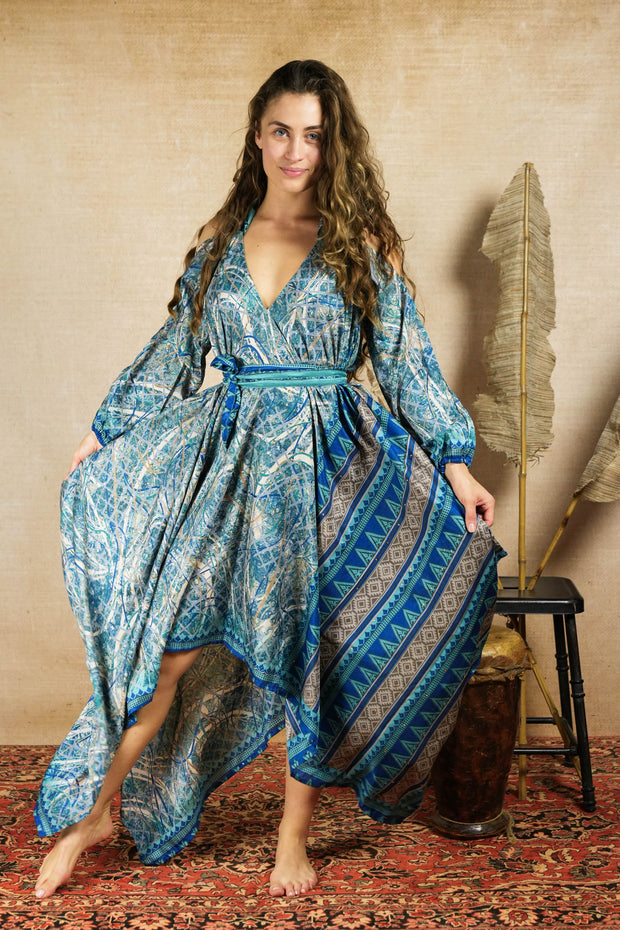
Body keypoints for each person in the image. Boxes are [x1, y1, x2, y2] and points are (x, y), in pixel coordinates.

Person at [34, 59, 502, 901]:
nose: (295, 151)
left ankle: (293, 837)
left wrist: (456, 465)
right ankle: (95, 813)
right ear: (257, 135)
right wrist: (102, 433)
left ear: (332, 145)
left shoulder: (362, 246)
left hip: (331, 470)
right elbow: (175, 352)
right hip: (232, 474)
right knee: (167, 657)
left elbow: (406, 363)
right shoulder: (221, 245)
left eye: (313, 136)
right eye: (282, 131)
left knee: (310, 656)